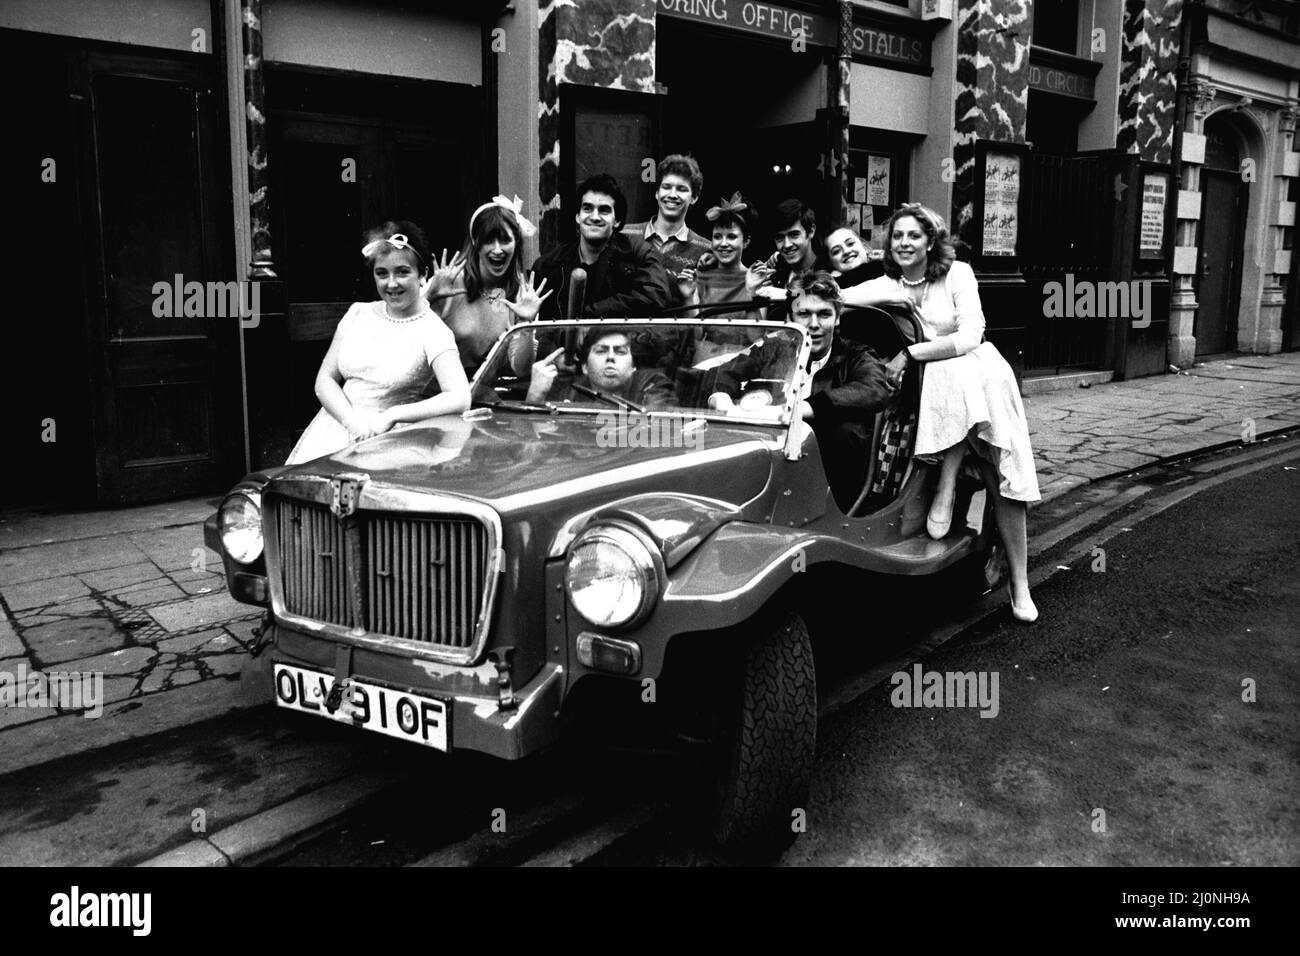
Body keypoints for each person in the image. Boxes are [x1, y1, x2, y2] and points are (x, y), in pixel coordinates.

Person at [841, 203, 1041, 622]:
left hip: (981, 378)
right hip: (938, 389)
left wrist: (910, 353)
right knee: (943, 375)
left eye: (914, 235)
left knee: (1001, 472)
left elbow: (971, 336)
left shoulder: (958, 274)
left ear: (931, 241)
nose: (904, 243)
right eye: (897, 236)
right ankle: (947, 479)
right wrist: (780, 291)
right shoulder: (891, 283)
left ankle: (1020, 585)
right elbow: (837, 297)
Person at [286, 220, 471, 465]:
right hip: (335, 428)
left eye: (402, 272)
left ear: (423, 274)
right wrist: (352, 422)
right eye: (382, 273)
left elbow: (460, 397)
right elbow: (325, 379)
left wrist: (393, 415)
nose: (391, 283)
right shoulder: (358, 313)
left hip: (389, 441)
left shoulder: (433, 330)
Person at [708, 271, 894, 511]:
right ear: (790, 317)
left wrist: (804, 408)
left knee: (846, 430)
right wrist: (722, 400)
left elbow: (875, 389)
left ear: (837, 318)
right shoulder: (773, 349)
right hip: (764, 470)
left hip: (831, 488)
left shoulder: (857, 355)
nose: (814, 324)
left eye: (824, 314)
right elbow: (723, 373)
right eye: (804, 314)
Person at [431, 195, 552, 377]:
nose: (497, 249)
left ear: (516, 242)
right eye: (488, 240)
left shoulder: (521, 295)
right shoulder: (449, 282)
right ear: (475, 242)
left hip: (484, 388)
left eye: (505, 240)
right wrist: (428, 298)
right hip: (441, 385)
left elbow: (521, 370)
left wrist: (526, 324)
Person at [530, 173, 673, 322]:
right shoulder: (548, 266)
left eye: (604, 210)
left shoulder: (637, 252)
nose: (595, 217)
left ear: (617, 220)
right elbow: (540, 327)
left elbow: (658, 295)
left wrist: (591, 314)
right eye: (587, 209)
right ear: (578, 216)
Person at [621, 154, 711, 300]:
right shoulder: (624, 234)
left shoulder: (706, 250)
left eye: (681, 189)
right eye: (666, 187)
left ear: (694, 198)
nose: (672, 195)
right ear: (657, 193)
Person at [526, 327, 676, 409]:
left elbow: (658, 429)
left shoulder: (652, 385)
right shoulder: (566, 393)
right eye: (601, 351)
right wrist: (535, 395)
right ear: (585, 367)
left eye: (620, 351)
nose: (610, 357)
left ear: (633, 367)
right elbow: (536, 441)